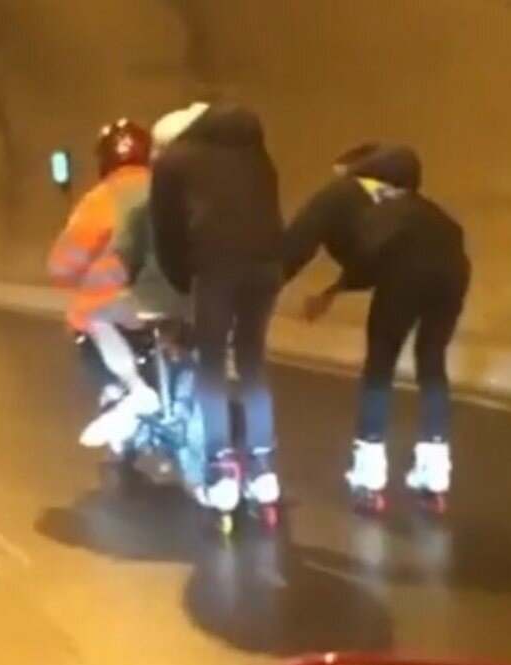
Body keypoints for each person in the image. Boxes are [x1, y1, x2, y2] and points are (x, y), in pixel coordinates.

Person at [283, 143, 470, 505]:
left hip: (404, 275)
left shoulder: (358, 199)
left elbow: (370, 257)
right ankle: (435, 467)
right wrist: (334, 290)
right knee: (432, 360)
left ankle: (369, 468)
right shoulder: (422, 208)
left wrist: (327, 290)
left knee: (380, 365)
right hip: (454, 273)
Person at [149, 102, 285, 512]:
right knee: (251, 359)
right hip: (266, 267)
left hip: (216, 268)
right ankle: (263, 467)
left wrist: (181, 280)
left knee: (211, 363)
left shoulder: (174, 161)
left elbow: (166, 230)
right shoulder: (255, 153)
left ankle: (221, 467)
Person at [48, 119, 163, 451]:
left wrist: (70, 274)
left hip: (126, 305)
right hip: (182, 297)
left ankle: (131, 389)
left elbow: (63, 263)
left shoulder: (101, 199)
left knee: (86, 317)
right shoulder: (173, 189)